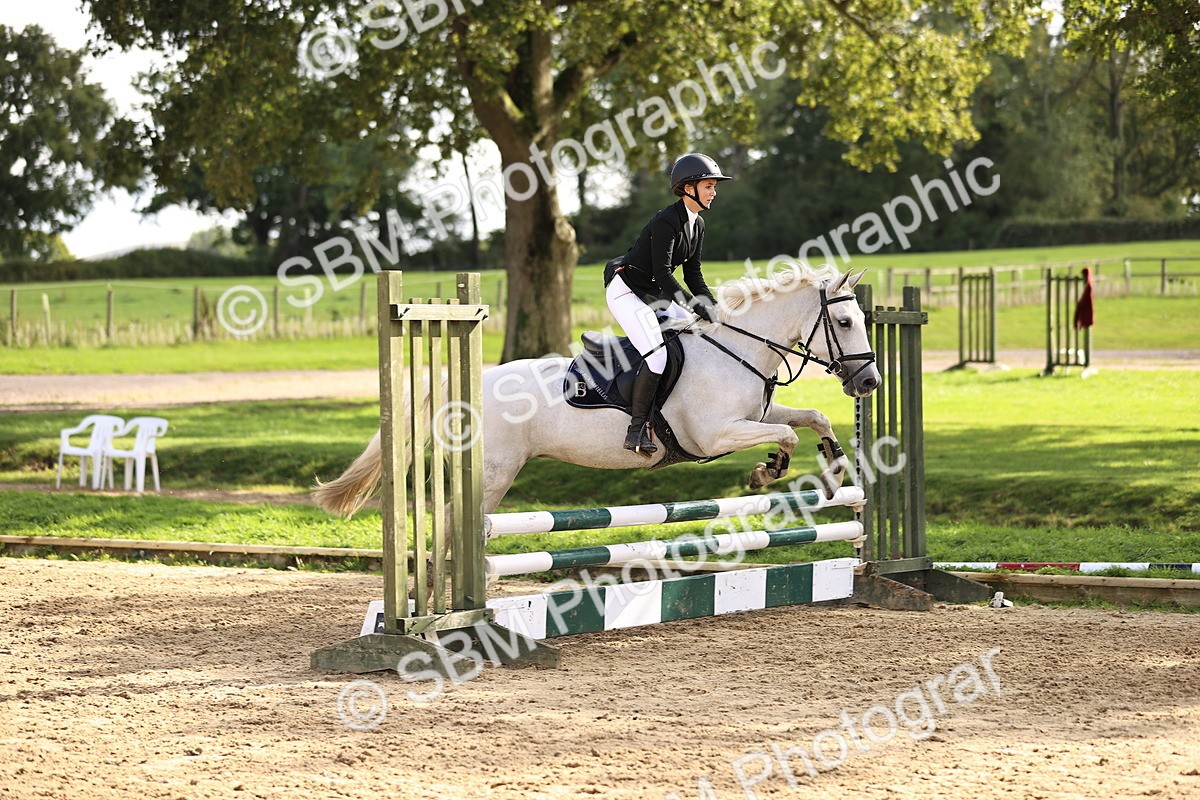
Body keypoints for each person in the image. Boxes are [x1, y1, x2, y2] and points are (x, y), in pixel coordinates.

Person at [603, 152, 732, 456]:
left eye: (714, 187)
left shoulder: (697, 225)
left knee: (699, 336)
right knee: (657, 357)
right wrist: (694, 306)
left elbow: (694, 274)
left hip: (655, 293)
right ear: (689, 188)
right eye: (709, 186)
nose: (714, 192)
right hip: (628, 292)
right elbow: (662, 273)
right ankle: (636, 430)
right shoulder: (666, 221)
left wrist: (713, 308)